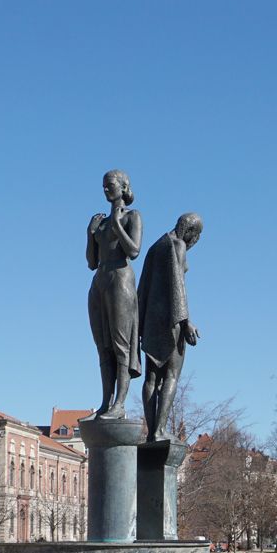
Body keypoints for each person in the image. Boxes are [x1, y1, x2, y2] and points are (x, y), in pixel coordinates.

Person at [138, 212, 203, 441]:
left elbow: (143, 286)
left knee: (151, 378)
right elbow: (178, 285)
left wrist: (140, 324)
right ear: (191, 232)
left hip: (150, 322)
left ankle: (151, 433)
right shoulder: (178, 245)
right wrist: (186, 322)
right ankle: (159, 431)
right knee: (172, 375)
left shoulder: (156, 247)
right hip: (171, 321)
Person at [86, 170, 143, 419]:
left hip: (121, 279)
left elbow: (133, 250)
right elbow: (91, 261)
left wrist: (118, 224)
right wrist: (90, 234)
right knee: (103, 346)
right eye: (103, 186)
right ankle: (104, 404)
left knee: (121, 345)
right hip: (99, 280)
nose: (106, 190)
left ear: (123, 187)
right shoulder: (100, 221)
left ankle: (119, 405)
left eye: (109, 185)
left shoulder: (132, 216)